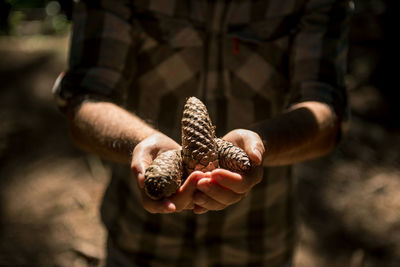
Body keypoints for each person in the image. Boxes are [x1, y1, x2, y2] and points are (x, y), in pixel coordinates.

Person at [53, 0, 352, 266]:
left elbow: (326, 110)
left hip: (259, 236)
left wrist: (260, 145)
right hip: (140, 238)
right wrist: (141, 143)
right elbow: (86, 98)